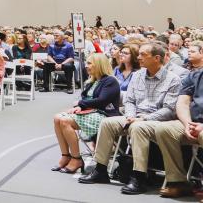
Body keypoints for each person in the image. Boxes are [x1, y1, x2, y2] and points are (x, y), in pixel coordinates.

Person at [78, 42, 182, 194]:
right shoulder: (138, 75)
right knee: (107, 123)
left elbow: (169, 109)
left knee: (138, 127)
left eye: (143, 55)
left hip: (156, 120)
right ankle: (100, 170)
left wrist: (144, 119)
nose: (138, 57)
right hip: (134, 116)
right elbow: (130, 101)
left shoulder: (173, 79)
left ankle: (139, 178)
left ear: (157, 58)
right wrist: (131, 116)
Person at [137, 52, 203, 198]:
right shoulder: (194, 76)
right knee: (164, 129)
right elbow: (183, 102)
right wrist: (187, 123)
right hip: (192, 122)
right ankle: (178, 182)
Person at [51, 54, 120, 174]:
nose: (86, 66)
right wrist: (79, 106)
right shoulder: (91, 81)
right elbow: (86, 100)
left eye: (89, 63)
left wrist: (80, 104)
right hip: (89, 112)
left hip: (103, 114)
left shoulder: (110, 81)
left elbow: (102, 101)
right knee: (57, 118)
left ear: (99, 65)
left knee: (65, 121)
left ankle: (76, 158)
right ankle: (65, 155)